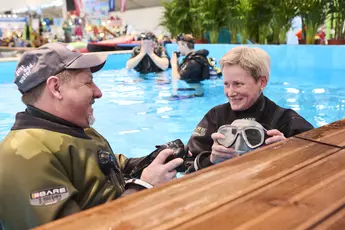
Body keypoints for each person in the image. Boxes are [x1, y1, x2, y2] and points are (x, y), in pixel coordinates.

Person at [0, 43, 183, 230]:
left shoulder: (74, 129)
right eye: (88, 82)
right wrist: (143, 187)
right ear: (56, 88)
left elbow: (110, 166)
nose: (98, 92)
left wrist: (156, 160)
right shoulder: (25, 154)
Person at [186, 46, 314, 171]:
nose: (230, 92)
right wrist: (211, 160)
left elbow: (322, 159)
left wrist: (288, 152)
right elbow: (187, 167)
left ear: (262, 82)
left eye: (238, 84)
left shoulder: (286, 120)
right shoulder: (215, 116)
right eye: (226, 84)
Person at [171, 33, 221, 98]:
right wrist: (176, 62)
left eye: (179, 45)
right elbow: (180, 73)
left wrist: (173, 63)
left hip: (197, 95)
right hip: (196, 92)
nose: (178, 48)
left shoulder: (193, 62)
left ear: (185, 45)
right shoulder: (190, 59)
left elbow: (177, 77)